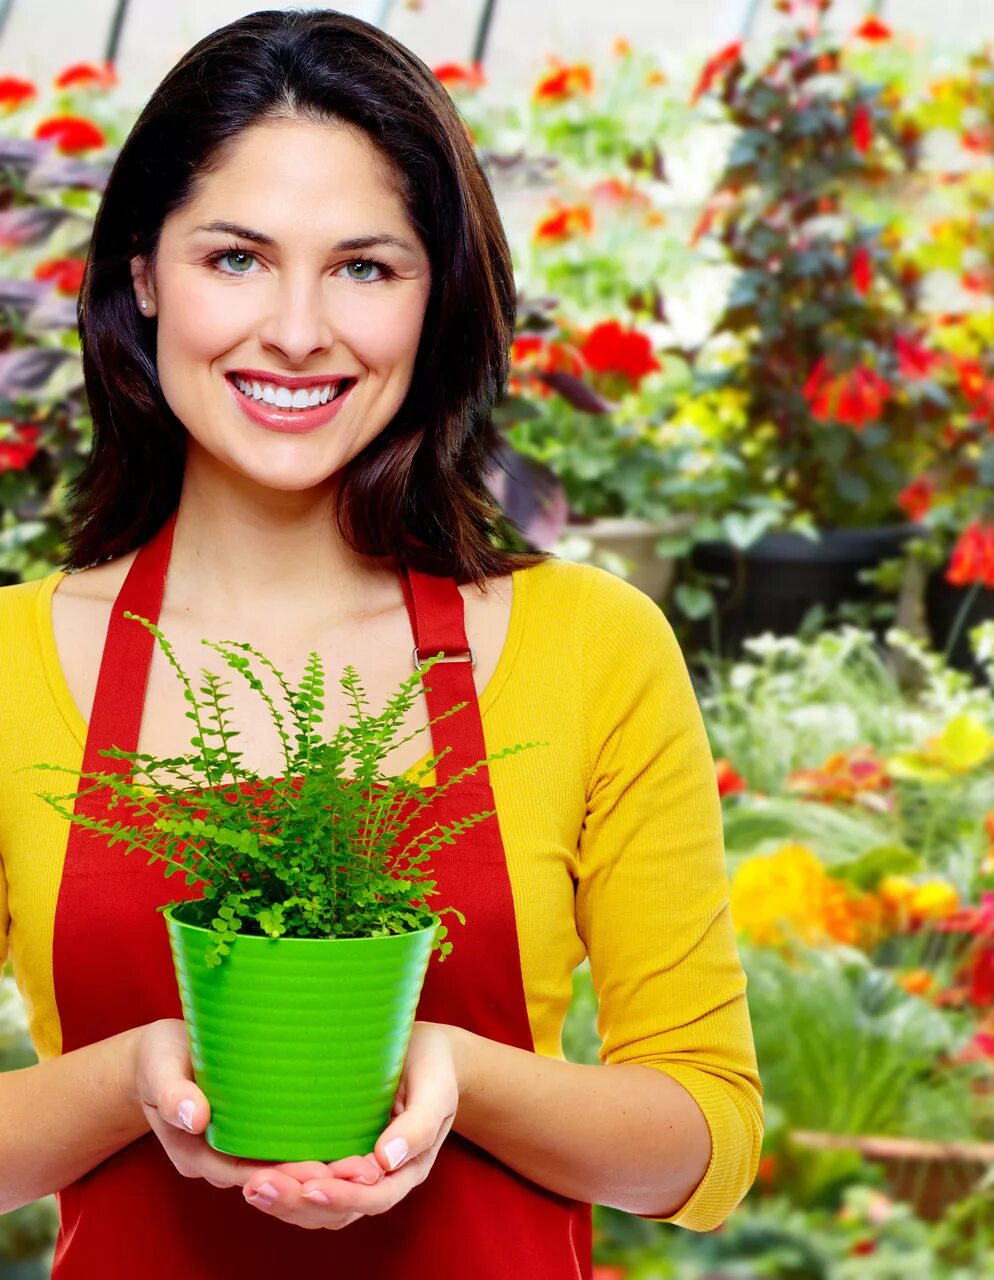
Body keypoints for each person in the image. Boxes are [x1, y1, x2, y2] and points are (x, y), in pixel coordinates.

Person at [0, 9, 762, 1276]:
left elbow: (704, 1140)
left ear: (436, 294)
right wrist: (137, 1076)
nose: (298, 329)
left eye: (365, 267)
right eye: (236, 258)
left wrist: (446, 1065)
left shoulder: (591, 645)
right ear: (143, 273)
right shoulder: (14, 660)